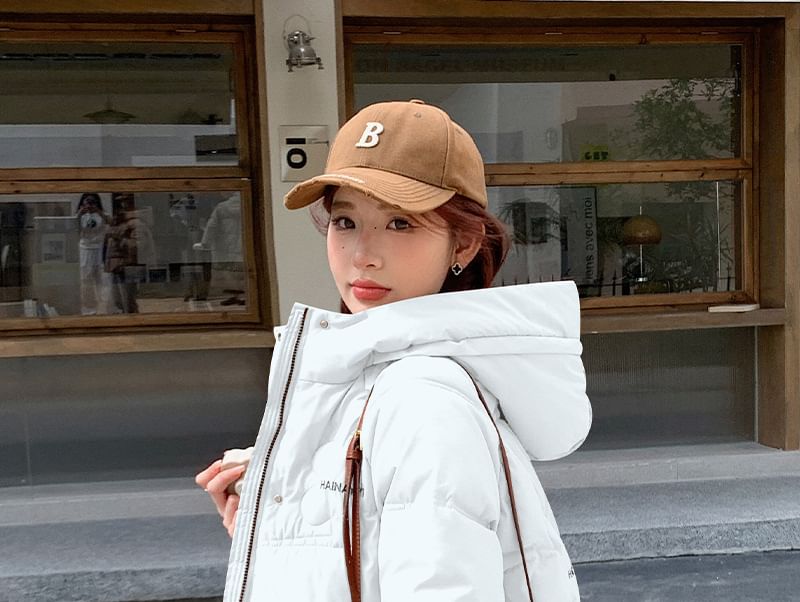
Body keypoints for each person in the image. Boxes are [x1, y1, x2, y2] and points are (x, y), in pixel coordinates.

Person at [195, 100, 592, 601]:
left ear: (464, 244)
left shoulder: (422, 398)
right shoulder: (379, 376)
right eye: (345, 221)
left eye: (400, 223)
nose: (363, 255)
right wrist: (277, 531)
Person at [76, 192, 110, 315]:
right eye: (87, 202)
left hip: (98, 248)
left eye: (92, 202)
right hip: (85, 248)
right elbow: (73, 229)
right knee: (85, 279)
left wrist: (99, 212)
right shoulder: (80, 216)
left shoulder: (102, 215)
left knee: (101, 279)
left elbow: (110, 222)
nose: (90, 205)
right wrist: (80, 214)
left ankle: (104, 306)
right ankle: (89, 308)